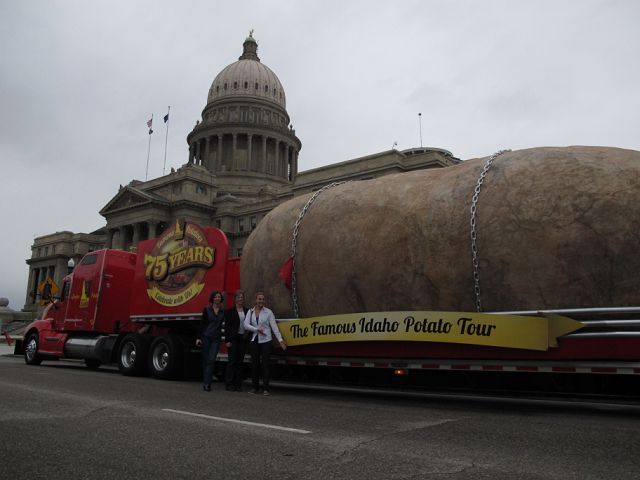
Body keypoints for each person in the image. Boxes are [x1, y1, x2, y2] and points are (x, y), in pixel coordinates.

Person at [244, 292, 287, 395]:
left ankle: (266, 388)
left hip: (266, 341)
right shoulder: (251, 311)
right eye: (259, 299)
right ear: (256, 300)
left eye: (263, 299)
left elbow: (274, 327)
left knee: (265, 365)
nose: (261, 301)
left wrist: (280, 340)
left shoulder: (268, 312)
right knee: (255, 364)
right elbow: (245, 325)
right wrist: (256, 329)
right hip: (255, 340)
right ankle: (255, 387)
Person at [196, 291, 225, 391]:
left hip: (216, 339)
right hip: (206, 337)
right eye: (216, 297)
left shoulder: (223, 311)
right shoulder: (207, 309)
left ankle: (207, 383)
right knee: (206, 360)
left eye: (219, 297)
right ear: (212, 299)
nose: (217, 298)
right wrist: (198, 338)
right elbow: (202, 324)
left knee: (211, 360)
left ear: (221, 299)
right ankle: (206, 381)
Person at [224, 290, 249, 391]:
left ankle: (238, 384)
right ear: (235, 299)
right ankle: (229, 383)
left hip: (242, 339)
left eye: (242, 297)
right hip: (233, 339)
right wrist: (227, 340)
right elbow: (227, 327)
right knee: (232, 362)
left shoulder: (247, 311)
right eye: (238, 297)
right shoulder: (229, 312)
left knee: (240, 362)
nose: (240, 299)